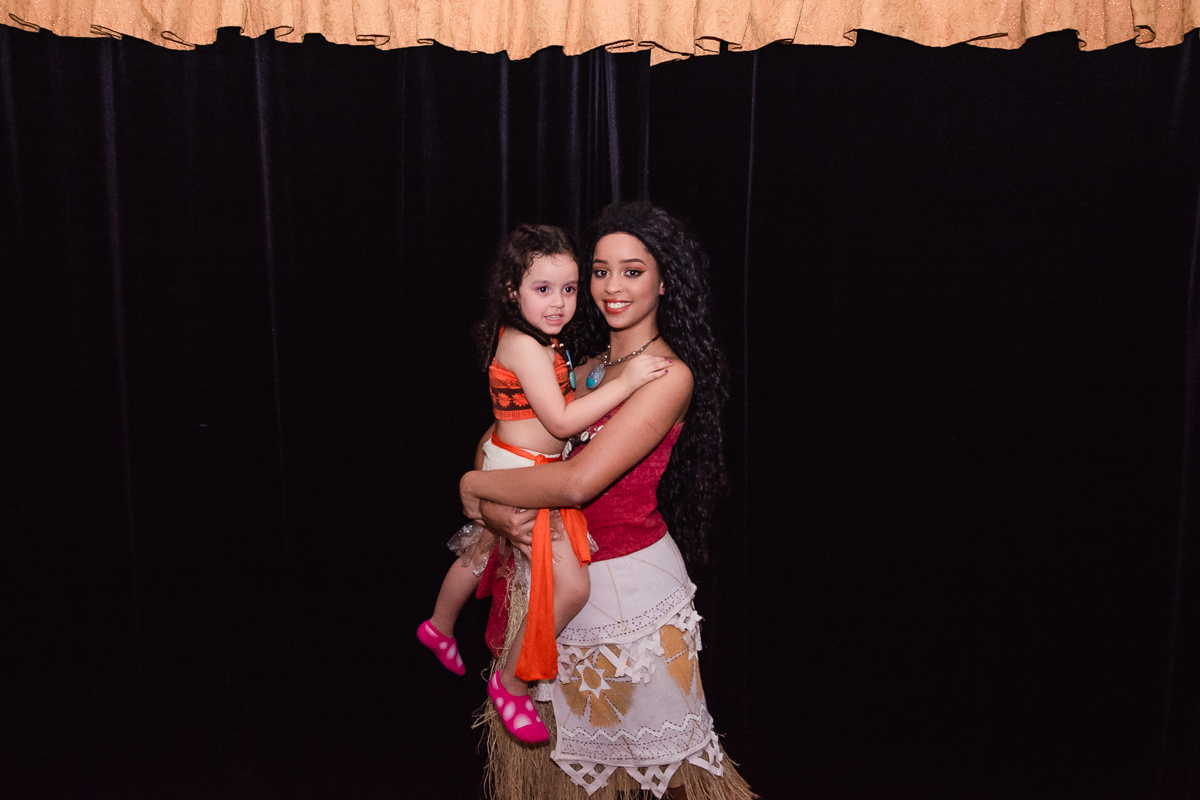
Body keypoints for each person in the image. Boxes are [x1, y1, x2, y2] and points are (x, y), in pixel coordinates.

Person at [460, 203, 755, 800]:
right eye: (600, 271)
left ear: (665, 281)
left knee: (669, 778)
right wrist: (489, 501)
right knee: (568, 778)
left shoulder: (667, 375)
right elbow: (505, 439)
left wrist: (473, 487)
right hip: (558, 581)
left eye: (633, 271)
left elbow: (575, 484)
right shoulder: (587, 367)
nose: (612, 287)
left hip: (626, 595)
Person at [417, 223, 669, 744]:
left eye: (569, 288)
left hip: (511, 460)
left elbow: (518, 416)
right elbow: (560, 422)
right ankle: (510, 684)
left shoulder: (540, 341)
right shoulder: (529, 347)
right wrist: (626, 381)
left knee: (479, 551)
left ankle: (439, 626)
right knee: (571, 585)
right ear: (512, 291)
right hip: (523, 469)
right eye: (543, 289)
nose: (559, 302)